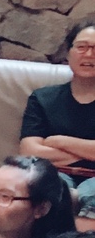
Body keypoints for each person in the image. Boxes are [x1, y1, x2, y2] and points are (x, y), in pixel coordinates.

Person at [18, 21, 95, 174]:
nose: (88, 54)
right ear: (68, 53)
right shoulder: (42, 98)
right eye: (81, 47)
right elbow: (28, 152)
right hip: (54, 175)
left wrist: (60, 141)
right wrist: (88, 153)